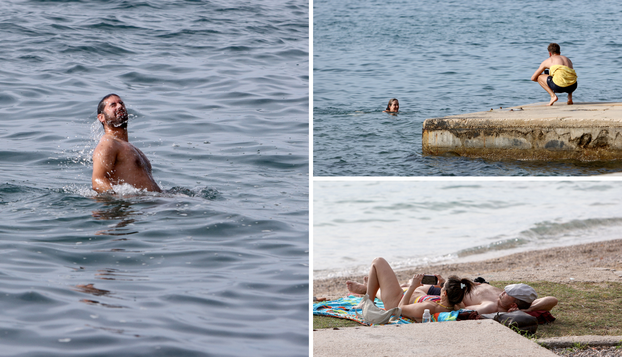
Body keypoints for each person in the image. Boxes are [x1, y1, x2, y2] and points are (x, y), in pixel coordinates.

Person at [346, 257, 473, 322]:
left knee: (378, 262)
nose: (441, 287)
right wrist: (443, 283)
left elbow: (401, 308)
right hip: (407, 294)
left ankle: (367, 299)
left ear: (445, 293)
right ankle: (367, 289)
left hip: (396, 300)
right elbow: (459, 299)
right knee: (388, 280)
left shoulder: (429, 307)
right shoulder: (454, 303)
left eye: (443, 287)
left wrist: (412, 287)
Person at [92, 94, 161, 194]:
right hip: (137, 206)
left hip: (150, 204)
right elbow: (97, 182)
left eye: (121, 103)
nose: (119, 106)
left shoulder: (130, 147)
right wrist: (123, 199)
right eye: (113, 105)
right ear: (101, 117)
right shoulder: (108, 144)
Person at [414, 277, 558, 314]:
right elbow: (553, 300)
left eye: (508, 293)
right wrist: (529, 310)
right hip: (464, 284)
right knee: (414, 282)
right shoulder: (522, 301)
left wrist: (448, 291)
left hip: (451, 292)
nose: (503, 292)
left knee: (410, 286)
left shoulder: (490, 306)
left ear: (514, 305)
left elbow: (459, 311)